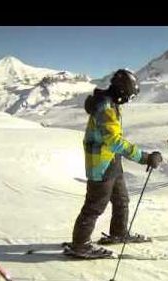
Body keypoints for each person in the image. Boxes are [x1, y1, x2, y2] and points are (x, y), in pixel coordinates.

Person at [68, 69, 162, 258]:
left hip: (111, 160)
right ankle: (80, 245)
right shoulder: (106, 107)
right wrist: (144, 157)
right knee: (94, 205)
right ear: (121, 91)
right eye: (128, 96)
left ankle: (118, 233)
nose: (128, 100)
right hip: (101, 163)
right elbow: (114, 141)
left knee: (121, 200)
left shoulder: (110, 103)